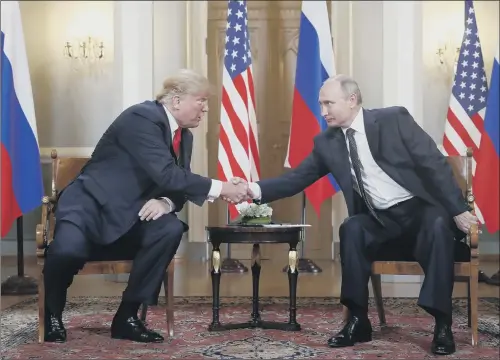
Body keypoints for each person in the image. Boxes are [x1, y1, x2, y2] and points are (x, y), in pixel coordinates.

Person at [234, 75, 477, 355]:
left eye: (329, 103)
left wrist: (458, 209)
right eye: (320, 104)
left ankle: (442, 325)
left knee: (437, 224)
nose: (323, 111)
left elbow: (433, 164)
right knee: (351, 228)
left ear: (351, 101)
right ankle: (359, 320)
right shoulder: (328, 142)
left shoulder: (393, 120)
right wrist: (250, 189)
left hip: (420, 212)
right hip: (380, 220)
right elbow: (296, 179)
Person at [43, 69, 248, 343]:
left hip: (130, 215)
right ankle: (52, 315)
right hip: (90, 207)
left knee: (168, 229)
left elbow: (177, 183)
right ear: (176, 101)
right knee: (68, 250)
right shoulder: (142, 118)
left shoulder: (184, 136)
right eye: (201, 100)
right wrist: (223, 188)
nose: (205, 108)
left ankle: (127, 317)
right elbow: (168, 174)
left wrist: (165, 202)